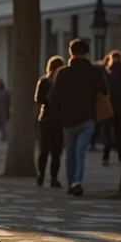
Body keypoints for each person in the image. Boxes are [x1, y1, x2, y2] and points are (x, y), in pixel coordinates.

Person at [48, 39, 108, 197]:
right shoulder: (94, 72)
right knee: (80, 151)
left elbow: (52, 98)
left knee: (70, 153)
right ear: (87, 53)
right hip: (88, 117)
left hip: (68, 119)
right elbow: (104, 90)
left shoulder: (63, 72)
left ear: (70, 52)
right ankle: (77, 181)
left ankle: (70, 183)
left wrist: (60, 114)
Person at [35, 56, 65, 188]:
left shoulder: (63, 83)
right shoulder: (44, 82)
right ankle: (41, 173)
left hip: (59, 120)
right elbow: (38, 99)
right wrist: (50, 99)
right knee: (44, 149)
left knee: (56, 151)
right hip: (46, 119)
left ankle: (54, 177)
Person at [103, 50, 121, 166]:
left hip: (109, 107)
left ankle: (106, 157)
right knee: (119, 133)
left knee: (107, 134)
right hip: (119, 106)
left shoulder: (107, 74)